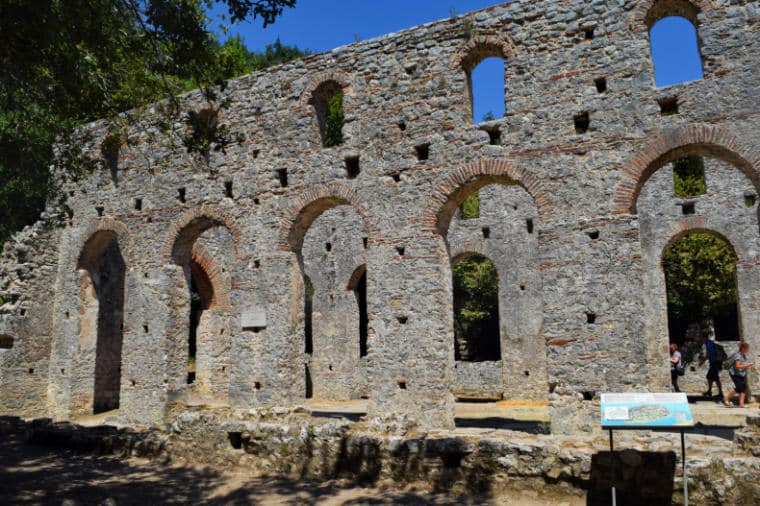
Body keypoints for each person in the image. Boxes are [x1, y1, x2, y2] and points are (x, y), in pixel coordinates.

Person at [723, 342, 753, 408]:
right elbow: (738, 366)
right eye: (746, 348)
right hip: (735, 374)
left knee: (743, 388)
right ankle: (726, 398)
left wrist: (747, 365)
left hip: (741, 374)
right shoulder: (738, 355)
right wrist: (747, 365)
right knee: (739, 388)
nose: (747, 350)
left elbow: (742, 364)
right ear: (742, 348)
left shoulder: (743, 355)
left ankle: (741, 404)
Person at [699, 333, 723, 399]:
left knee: (716, 378)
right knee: (710, 377)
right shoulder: (709, 343)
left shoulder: (709, 344)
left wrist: (702, 362)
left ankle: (720, 393)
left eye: (702, 338)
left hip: (715, 363)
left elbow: (708, 354)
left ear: (705, 338)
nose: (702, 340)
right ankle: (709, 391)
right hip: (714, 363)